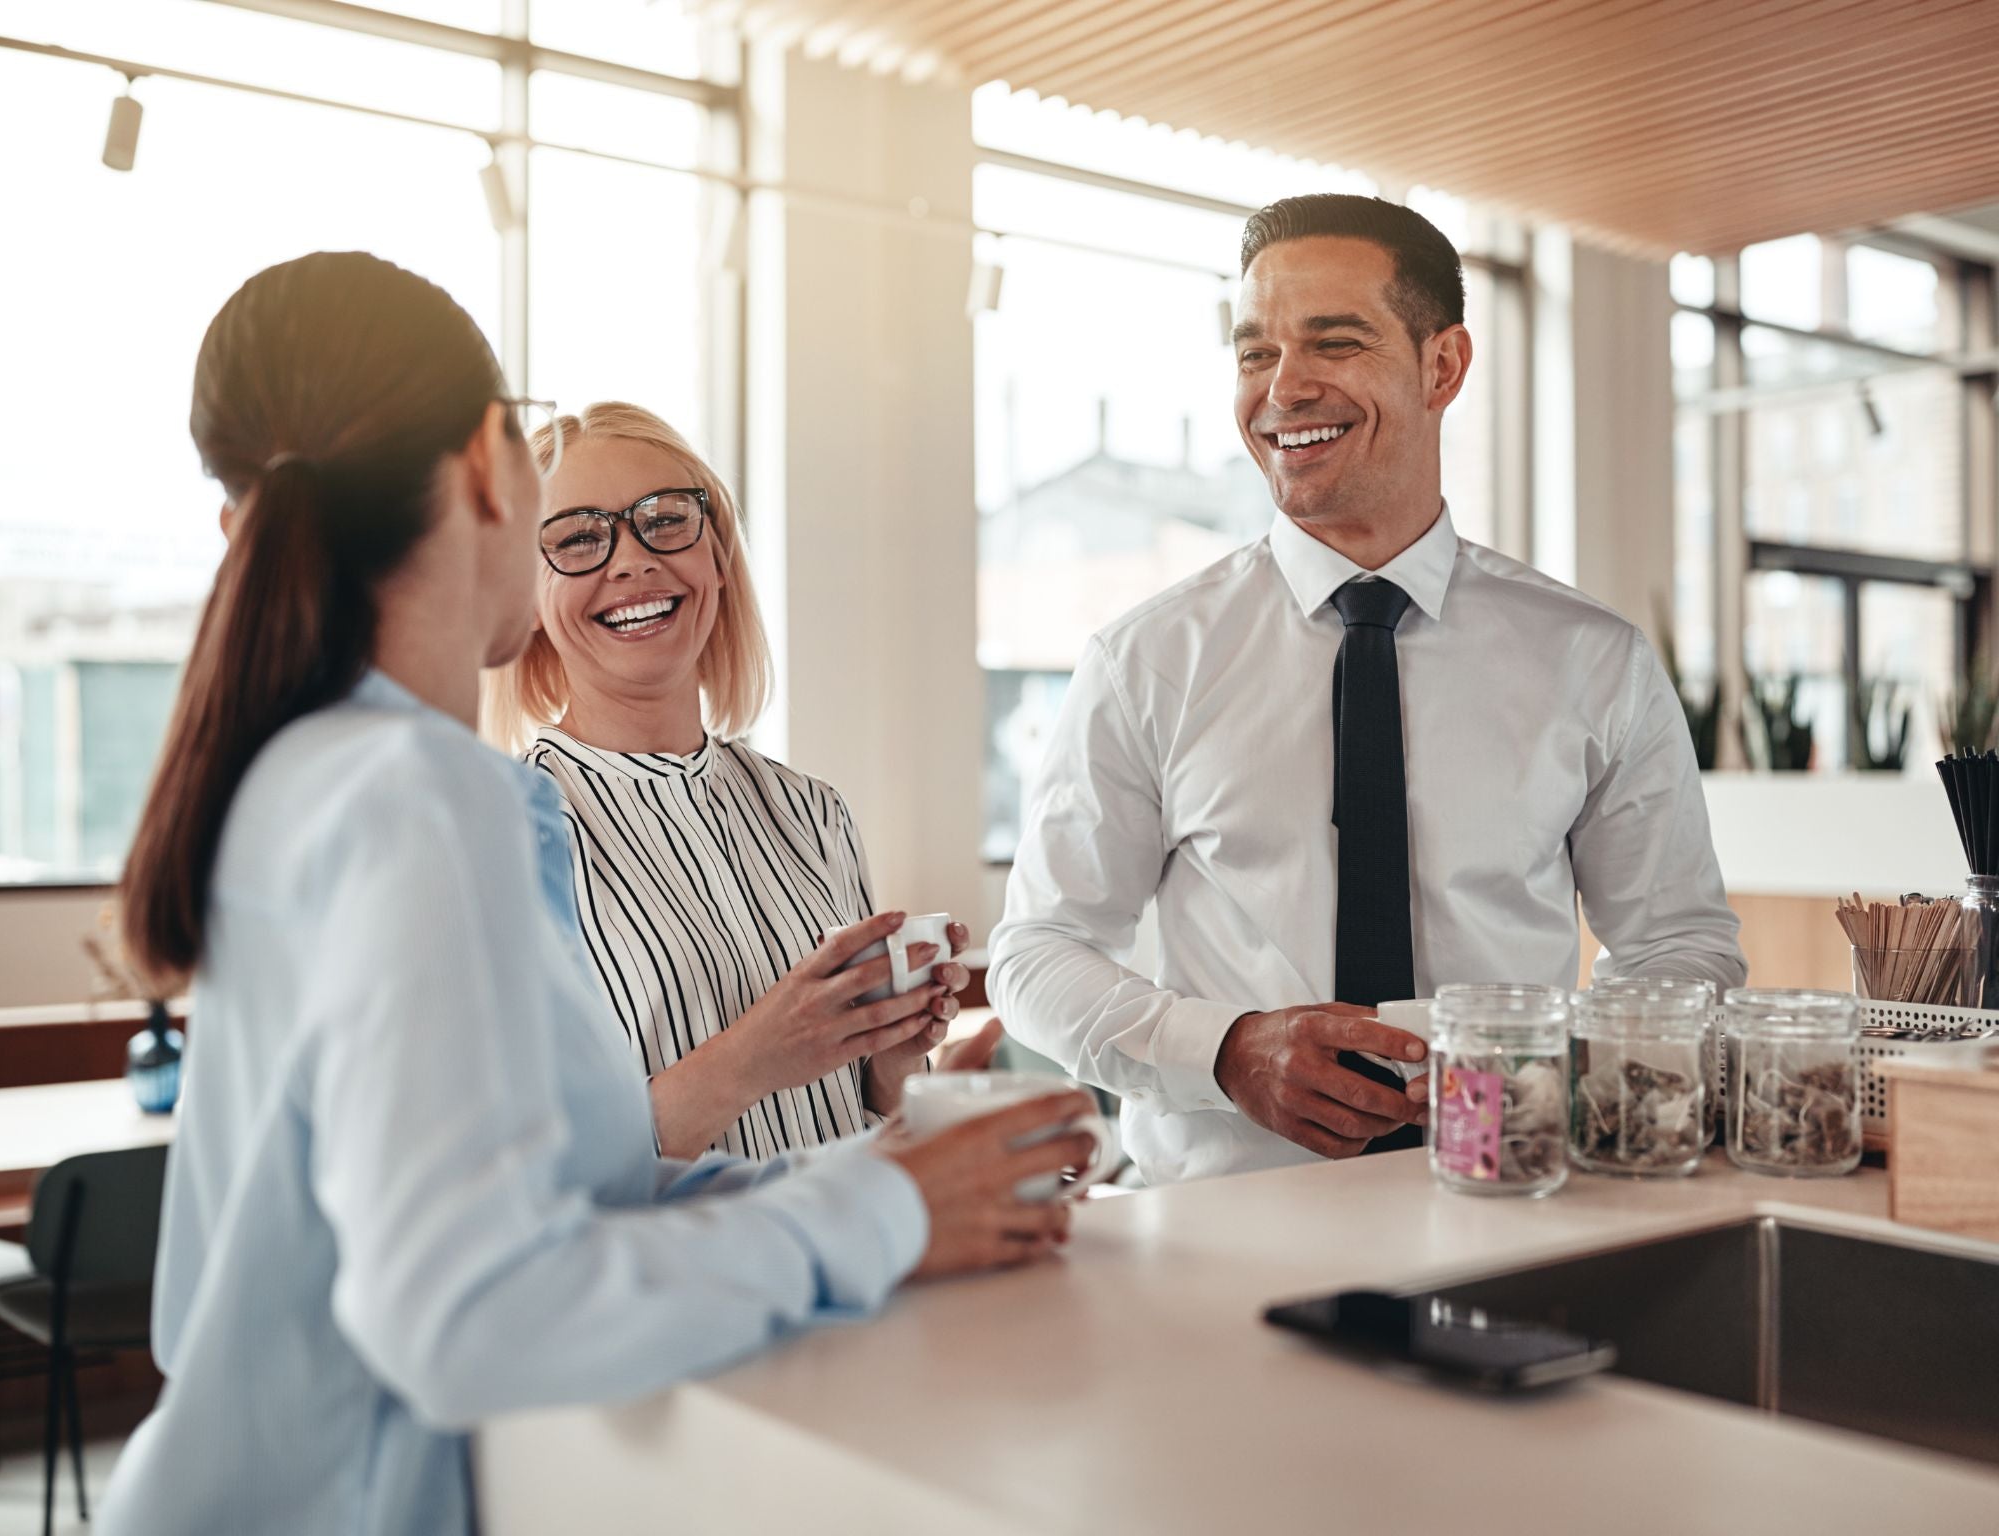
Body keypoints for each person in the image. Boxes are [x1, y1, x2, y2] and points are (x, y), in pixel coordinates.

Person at [100, 252, 1091, 1535]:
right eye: (569, 517)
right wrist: (882, 1207)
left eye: (667, 521)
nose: (623, 558)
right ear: (482, 468)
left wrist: (897, 1170)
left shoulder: (317, 772)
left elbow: (565, 1192)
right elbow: (471, 1312)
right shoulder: (420, 796)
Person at [991, 194, 1745, 1186]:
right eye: (1253, 352)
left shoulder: (1587, 660)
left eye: (1331, 343)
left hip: (1509, 1204)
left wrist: (1546, 1070)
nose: (1282, 388)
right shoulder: (1147, 660)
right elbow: (1038, 952)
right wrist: (1221, 1050)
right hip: (1218, 1233)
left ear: (1442, 366)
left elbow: (1676, 947)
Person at [485, 402, 999, 1161]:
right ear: (525, 599)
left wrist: (894, 1065)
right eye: (577, 539)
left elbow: (862, 1124)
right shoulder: (501, 839)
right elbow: (535, 1171)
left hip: (856, 1265)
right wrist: (753, 1058)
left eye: (664, 521)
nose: (631, 561)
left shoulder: (813, 813)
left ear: (718, 561)